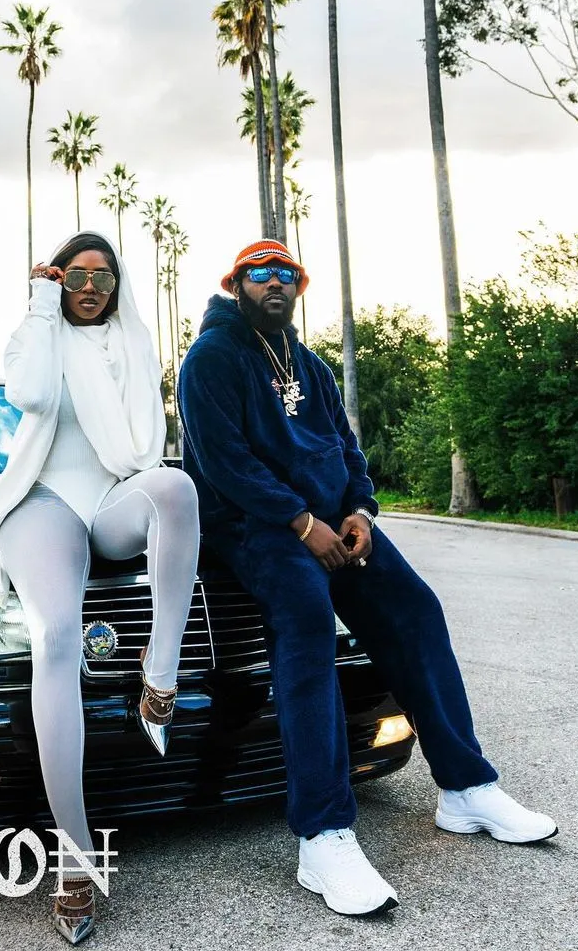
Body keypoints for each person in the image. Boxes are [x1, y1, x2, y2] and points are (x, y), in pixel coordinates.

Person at [177, 239, 557, 918]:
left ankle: (465, 788)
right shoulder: (211, 358)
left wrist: (359, 511)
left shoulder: (312, 366)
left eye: (286, 274)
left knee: (415, 607)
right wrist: (300, 522)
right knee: (305, 620)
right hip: (252, 527)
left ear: (298, 286)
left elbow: (348, 450)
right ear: (237, 283)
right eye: (260, 274)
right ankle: (322, 834)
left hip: (329, 522)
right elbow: (224, 461)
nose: (275, 283)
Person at [0, 232, 199, 944]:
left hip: (110, 500)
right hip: (43, 503)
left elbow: (143, 451)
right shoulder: (39, 333)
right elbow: (32, 394)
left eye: (102, 277)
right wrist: (40, 304)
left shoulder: (134, 342)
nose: (90, 287)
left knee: (175, 488)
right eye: (75, 276)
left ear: (117, 285)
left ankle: (159, 680)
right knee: (55, 636)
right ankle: (76, 857)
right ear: (58, 280)